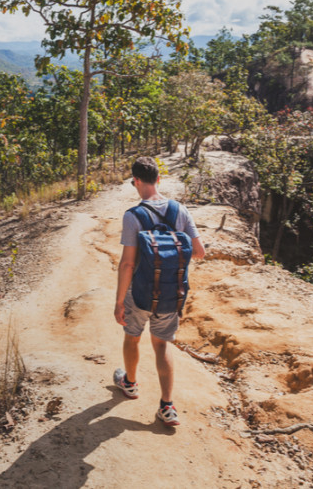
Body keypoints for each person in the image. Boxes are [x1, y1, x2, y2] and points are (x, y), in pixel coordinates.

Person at [113, 156, 206, 426]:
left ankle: (130, 384)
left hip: (139, 293)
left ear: (136, 181)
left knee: (132, 337)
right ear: (159, 180)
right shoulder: (181, 210)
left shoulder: (133, 216)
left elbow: (128, 263)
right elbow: (199, 253)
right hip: (170, 294)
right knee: (162, 344)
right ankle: (167, 406)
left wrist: (119, 302)